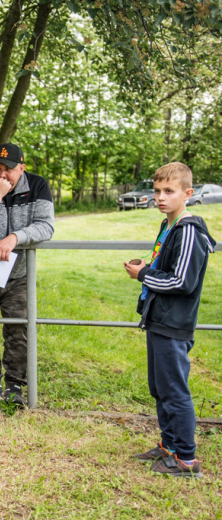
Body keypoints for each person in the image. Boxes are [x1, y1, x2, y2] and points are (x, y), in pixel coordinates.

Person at [125, 162, 215, 479]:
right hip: (158, 319)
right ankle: (169, 447)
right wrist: (148, 268)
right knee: (160, 388)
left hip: (174, 324)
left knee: (175, 391)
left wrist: (143, 274)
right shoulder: (169, 226)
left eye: (169, 192)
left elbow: (182, 282)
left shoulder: (189, 229)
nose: (161, 198)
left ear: (187, 194)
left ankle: (186, 460)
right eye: (157, 191)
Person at [0, 143, 54, 406]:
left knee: (18, 330)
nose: (1, 175)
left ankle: (14, 386)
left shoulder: (38, 186)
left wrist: (16, 237)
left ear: (22, 168)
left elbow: (46, 226)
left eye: (9, 169)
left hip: (18, 273)